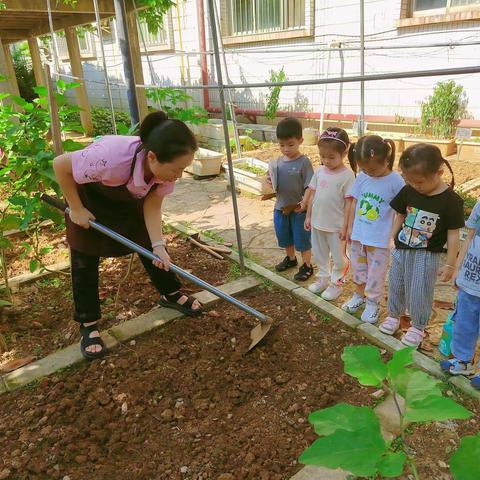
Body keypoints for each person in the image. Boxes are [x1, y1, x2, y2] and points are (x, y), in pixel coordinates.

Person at [53, 111, 202, 360]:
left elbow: (152, 206)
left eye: (183, 169)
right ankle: (88, 324)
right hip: (91, 199)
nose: (179, 176)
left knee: (149, 246)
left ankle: (171, 293)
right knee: (84, 258)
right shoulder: (110, 156)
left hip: (126, 202)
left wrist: (159, 244)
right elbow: (60, 164)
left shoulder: (164, 172)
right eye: (176, 169)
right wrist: (76, 208)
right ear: (152, 157)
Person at [379, 144, 464, 348]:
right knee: (396, 283)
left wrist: (450, 264)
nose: (415, 186)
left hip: (426, 255)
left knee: (419, 290)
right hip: (402, 249)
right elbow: (400, 214)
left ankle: (418, 326)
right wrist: (391, 238)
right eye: (410, 181)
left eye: (419, 182)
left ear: (439, 173)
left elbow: (453, 234)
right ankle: (394, 315)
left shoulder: (451, 201)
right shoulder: (409, 190)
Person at [343, 135, 405, 323]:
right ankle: (358, 296)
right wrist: (348, 227)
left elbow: (401, 212)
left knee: (376, 274)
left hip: (380, 240)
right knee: (359, 268)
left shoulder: (396, 182)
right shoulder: (362, 177)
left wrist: (393, 237)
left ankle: (372, 303)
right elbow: (354, 202)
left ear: (385, 159)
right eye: (364, 169)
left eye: (372, 169)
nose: (368, 173)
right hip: (359, 236)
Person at [304, 127, 355, 301]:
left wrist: (347, 226)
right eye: (322, 156)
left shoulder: (348, 175)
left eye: (331, 157)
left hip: (336, 227)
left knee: (339, 258)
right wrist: (309, 216)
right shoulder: (319, 171)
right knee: (319, 254)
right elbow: (312, 195)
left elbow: (349, 203)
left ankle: (336, 283)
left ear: (344, 153)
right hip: (318, 223)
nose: (326, 160)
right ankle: (323, 278)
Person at [268, 117, 314, 281]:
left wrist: (305, 204)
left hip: (299, 209)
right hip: (280, 207)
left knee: (302, 239)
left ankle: (307, 265)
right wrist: (269, 181)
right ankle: (291, 259)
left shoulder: (304, 162)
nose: (286, 149)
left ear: (300, 140)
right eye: (282, 145)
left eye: (290, 144)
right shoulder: (277, 163)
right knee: (284, 236)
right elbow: (273, 182)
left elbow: (310, 185)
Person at [440, 200, 480, 389]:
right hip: (470, 281)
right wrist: (458, 268)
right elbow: (470, 236)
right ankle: (463, 360)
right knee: (464, 323)